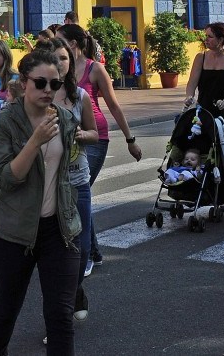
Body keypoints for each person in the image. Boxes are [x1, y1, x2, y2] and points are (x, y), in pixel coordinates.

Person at [0, 49, 81, 355]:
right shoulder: (4, 124)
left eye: (55, 84)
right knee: (7, 308)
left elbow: (65, 172)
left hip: (59, 230)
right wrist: (35, 141)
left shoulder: (65, 120)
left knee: (60, 315)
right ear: (24, 82)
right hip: (14, 232)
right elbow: (7, 178)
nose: (48, 91)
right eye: (40, 83)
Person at [58, 23, 142, 277]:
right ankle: (93, 251)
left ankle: (88, 255)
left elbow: (114, 106)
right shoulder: (61, 68)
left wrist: (130, 139)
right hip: (69, 137)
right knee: (75, 193)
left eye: (60, 40)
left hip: (95, 137)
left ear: (72, 44)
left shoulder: (96, 69)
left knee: (80, 191)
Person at [42, 37, 98, 324]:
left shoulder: (80, 97)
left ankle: (75, 289)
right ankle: (59, 313)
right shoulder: (38, 95)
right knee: (56, 253)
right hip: (48, 184)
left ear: (71, 61)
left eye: (63, 58)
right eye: (53, 58)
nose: (59, 63)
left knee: (83, 248)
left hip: (77, 180)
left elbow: (94, 133)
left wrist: (78, 135)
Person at [183, 22, 224, 208]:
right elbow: (192, 82)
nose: (206, 40)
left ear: (221, 39)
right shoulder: (201, 57)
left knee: (223, 154)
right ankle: (199, 194)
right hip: (204, 112)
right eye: (205, 36)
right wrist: (189, 97)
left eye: (210, 36)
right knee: (202, 151)